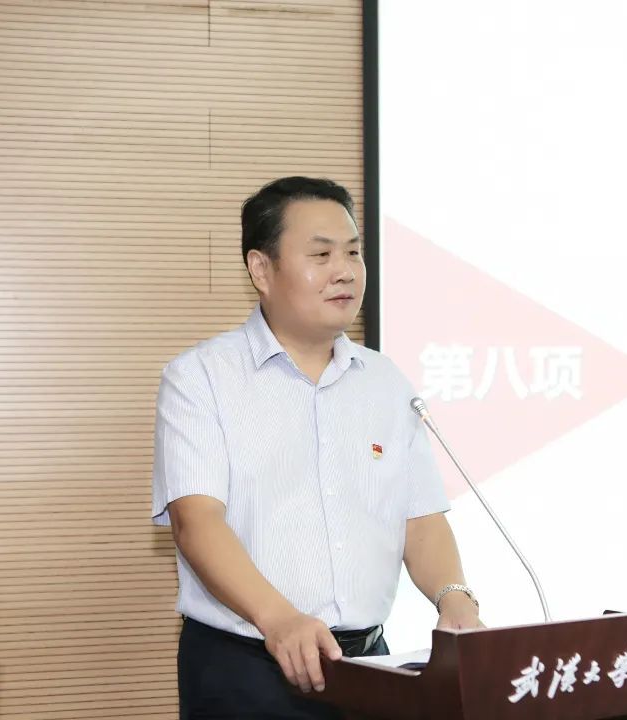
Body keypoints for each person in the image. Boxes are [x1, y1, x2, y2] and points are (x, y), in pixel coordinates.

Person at [151, 176, 482, 719]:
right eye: (321, 254)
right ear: (262, 270)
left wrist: (455, 597)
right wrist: (279, 619)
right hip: (246, 666)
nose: (345, 271)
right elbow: (197, 522)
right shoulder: (202, 378)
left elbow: (420, 519)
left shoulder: (385, 382)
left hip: (371, 665)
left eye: (353, 252)